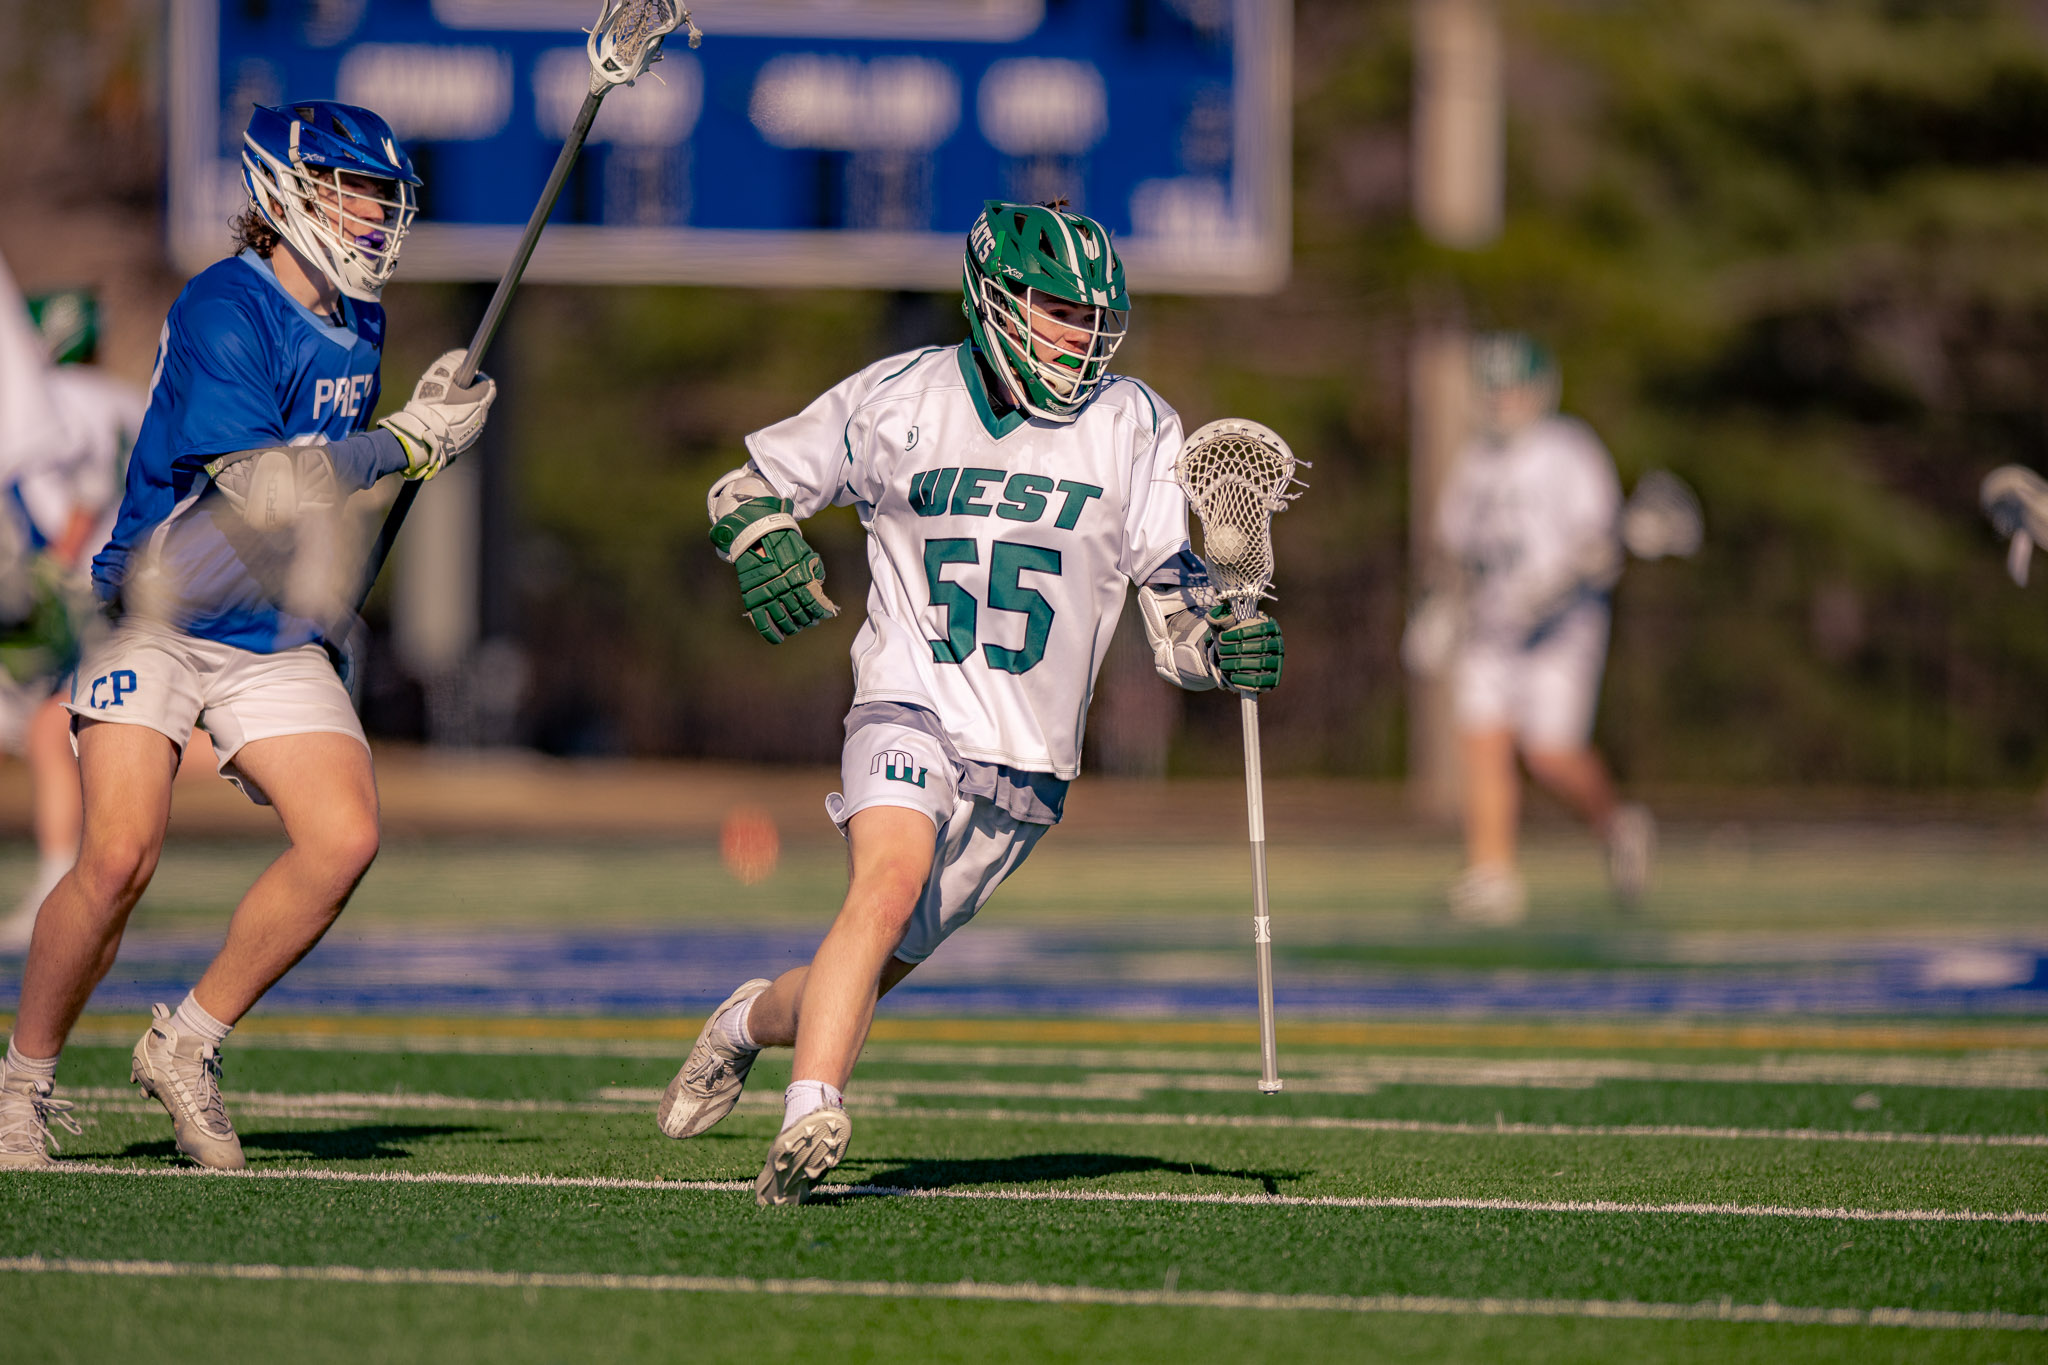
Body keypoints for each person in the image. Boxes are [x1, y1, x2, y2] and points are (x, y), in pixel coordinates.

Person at [657, 200, 1285, 1205]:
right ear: (993, 298)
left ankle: (740, 1026)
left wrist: (1226, 649)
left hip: (1027, 757)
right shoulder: (898, 395)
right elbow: (746, 484)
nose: (1078, 338)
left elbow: (1175, 619)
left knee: (857, 973)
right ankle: (810, 1111)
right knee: (887, 880)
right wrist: (759, 538)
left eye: (1091, 319)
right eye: (1055, 311)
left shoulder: (1131, 425)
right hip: (907, 700)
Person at [0, 100, 496, 1170]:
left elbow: (325, 502)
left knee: (342, 839)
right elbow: (267, 486)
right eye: (357, 190)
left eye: (382, 195)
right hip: (160, 611)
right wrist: (403, 445)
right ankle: (22, 1083)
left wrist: (339, 590)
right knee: (120, 856)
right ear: (290, 191)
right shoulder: (227, 303)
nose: (374, 214)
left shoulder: (358, 316)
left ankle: (186, 1042)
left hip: (267, 627)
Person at [1415, 332, 1653, 925]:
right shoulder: (1476, 460)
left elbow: (1598, 545)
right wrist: (1441, 606)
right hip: (1492, 627)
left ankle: (1616, 824)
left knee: (1550, 756)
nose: (1503, 404)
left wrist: (1553, 589)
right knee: (1483, 741)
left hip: (1560, 631)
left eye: (1514, 391)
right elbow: (1456, 549)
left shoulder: (1569, 451)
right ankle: (1492, 874)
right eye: (1494, 392)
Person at [0, 288, 146, 950]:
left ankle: (61, 880)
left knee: (54, 727)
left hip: (89, 583)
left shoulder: (56, 398)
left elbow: (84, 490)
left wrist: (54, 560)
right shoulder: (125, 397)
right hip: (144, 580)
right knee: (76, 728)